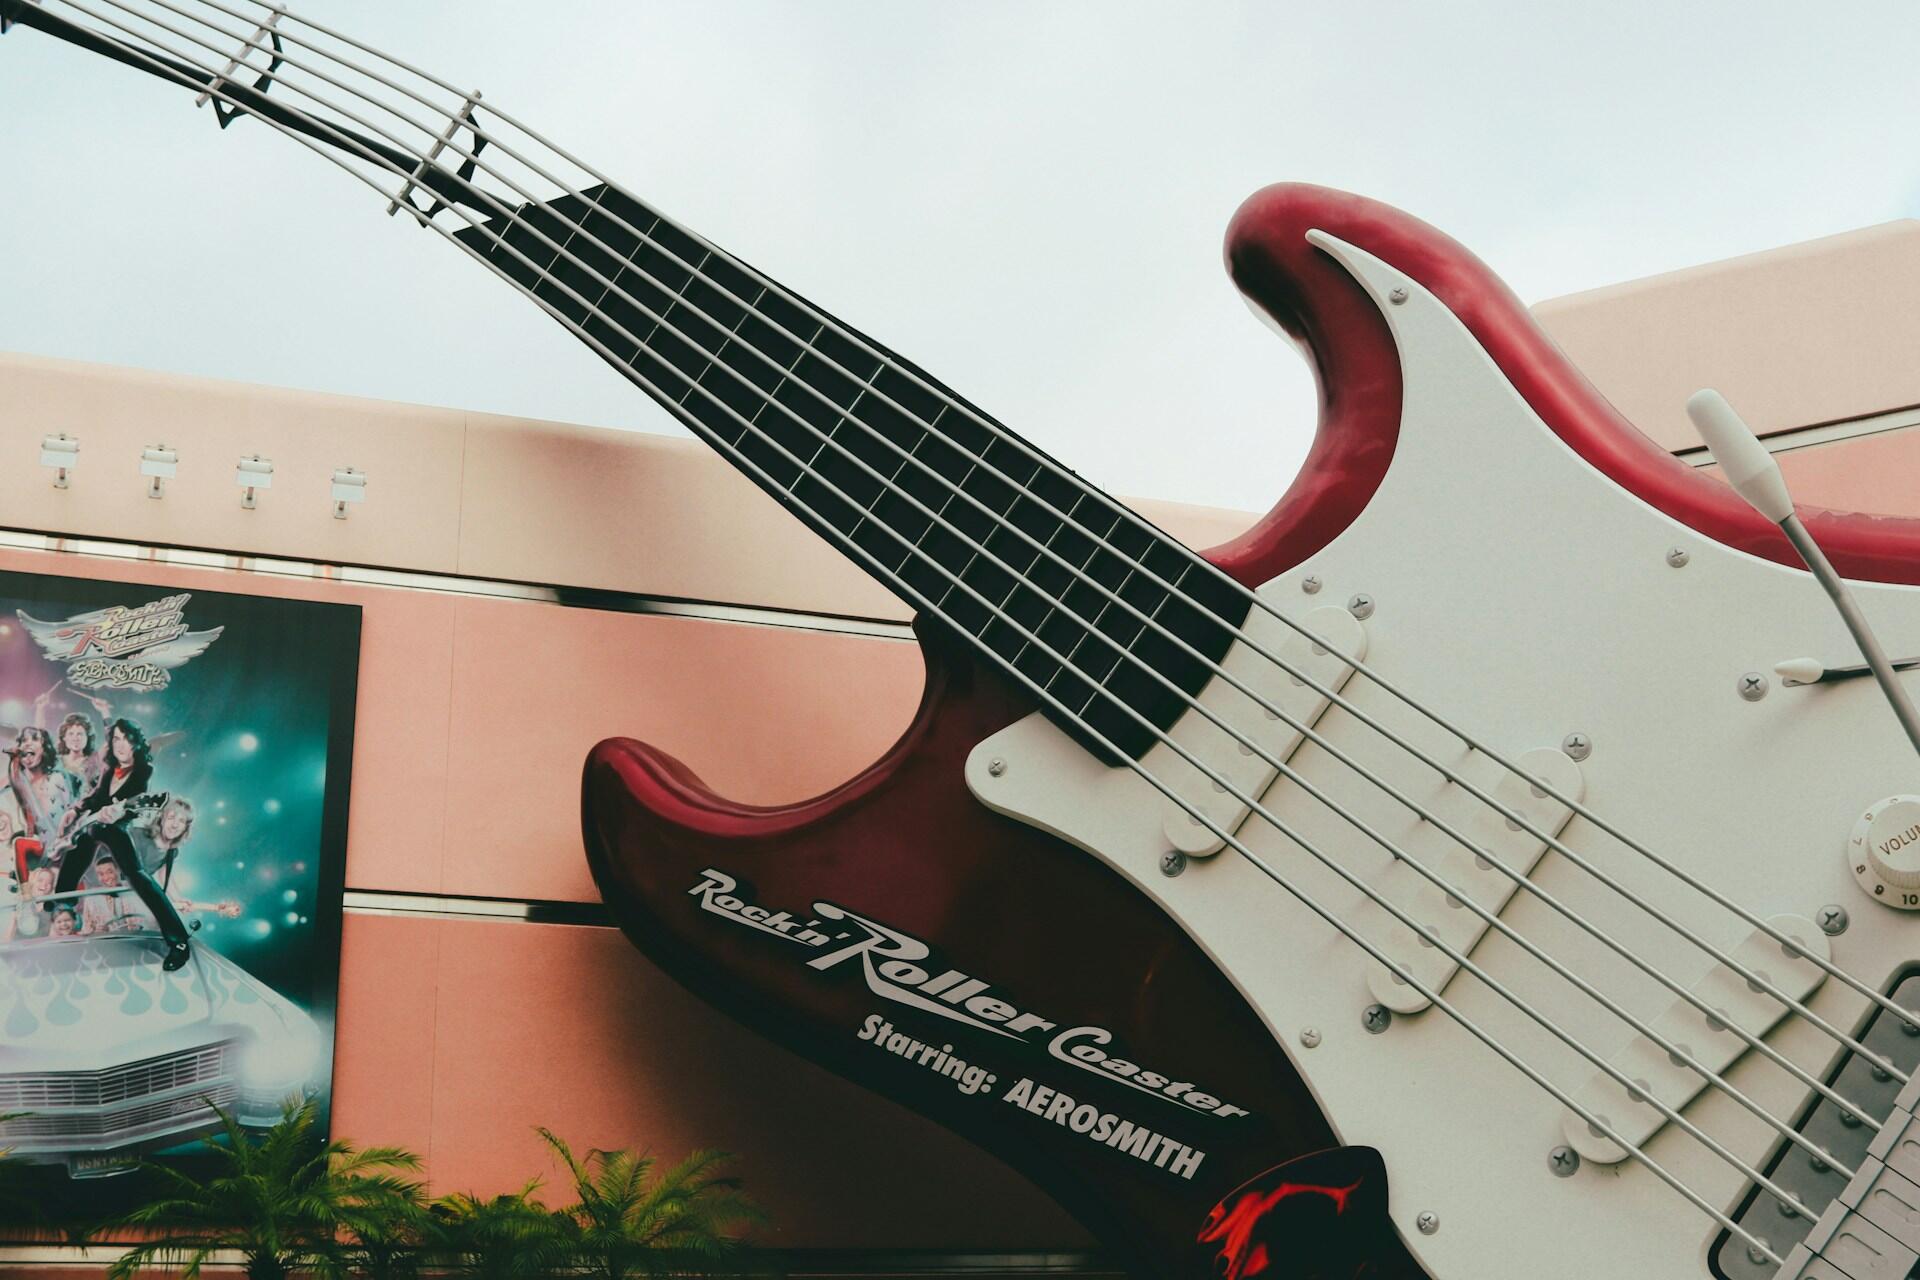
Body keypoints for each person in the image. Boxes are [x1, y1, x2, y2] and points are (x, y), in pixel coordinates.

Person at [8, 726, 72, 881]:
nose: (28, 743)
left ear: (44, 748)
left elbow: (71, 811)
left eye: (35, 739)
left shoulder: (57, 778)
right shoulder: (21, 784)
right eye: (24, 740)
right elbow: (15, 780)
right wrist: (14, 760)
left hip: (66, 848)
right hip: (42, 854)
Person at [54, 712, 102, 800]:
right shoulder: (56, 762)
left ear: (88, 737)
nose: (75, 738)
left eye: (80, 734)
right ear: (64, 737)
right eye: (71, 734)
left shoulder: (94, 763)